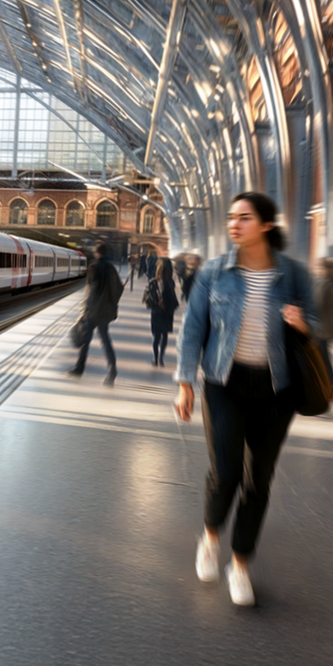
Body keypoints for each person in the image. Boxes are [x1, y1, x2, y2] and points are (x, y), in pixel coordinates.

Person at [174, 192, 321, 606]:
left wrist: (302, 323)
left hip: (278, 389)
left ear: (267, 225)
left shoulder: (294, 274)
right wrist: (185, 382)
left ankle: (239, 564)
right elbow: (193, 328)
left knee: (258, 479)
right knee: (225, 472)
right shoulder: (215, 272)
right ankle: (211, 537)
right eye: (231, 217)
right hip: (224, 384)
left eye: (244, 217)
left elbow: (318, 322)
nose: (234, 224)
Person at [68, 241, 121, 385]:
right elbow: (119, 289)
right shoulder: (111, 268)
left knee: (86, 341)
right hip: (105, 312)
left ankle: (79, 369)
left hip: (93, 311)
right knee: (106, 342)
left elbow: (91, 290)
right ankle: (112, 370)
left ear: (97, 253)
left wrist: (85, 309)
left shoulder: (94, 267)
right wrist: (111, 303)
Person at [143, 257, 178, 367]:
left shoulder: (154, 281)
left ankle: (155, 358)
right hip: (167, 313)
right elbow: (173, 298)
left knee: (156, 336)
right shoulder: (171, 282)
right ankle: (161, 358)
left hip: (157, 312)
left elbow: (146, 297)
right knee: (165, 336)